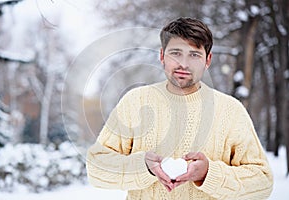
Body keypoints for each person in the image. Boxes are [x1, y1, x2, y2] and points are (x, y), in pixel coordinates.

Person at [86, 17, 273, 199]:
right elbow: (96, 167)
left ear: (207, 60)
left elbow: (263, 181)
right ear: (162, 56)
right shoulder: (135, 101)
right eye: (175, 53)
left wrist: (209, 174)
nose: (184, 64)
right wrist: (142, 166)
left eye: (194, 54)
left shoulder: (230, 110)